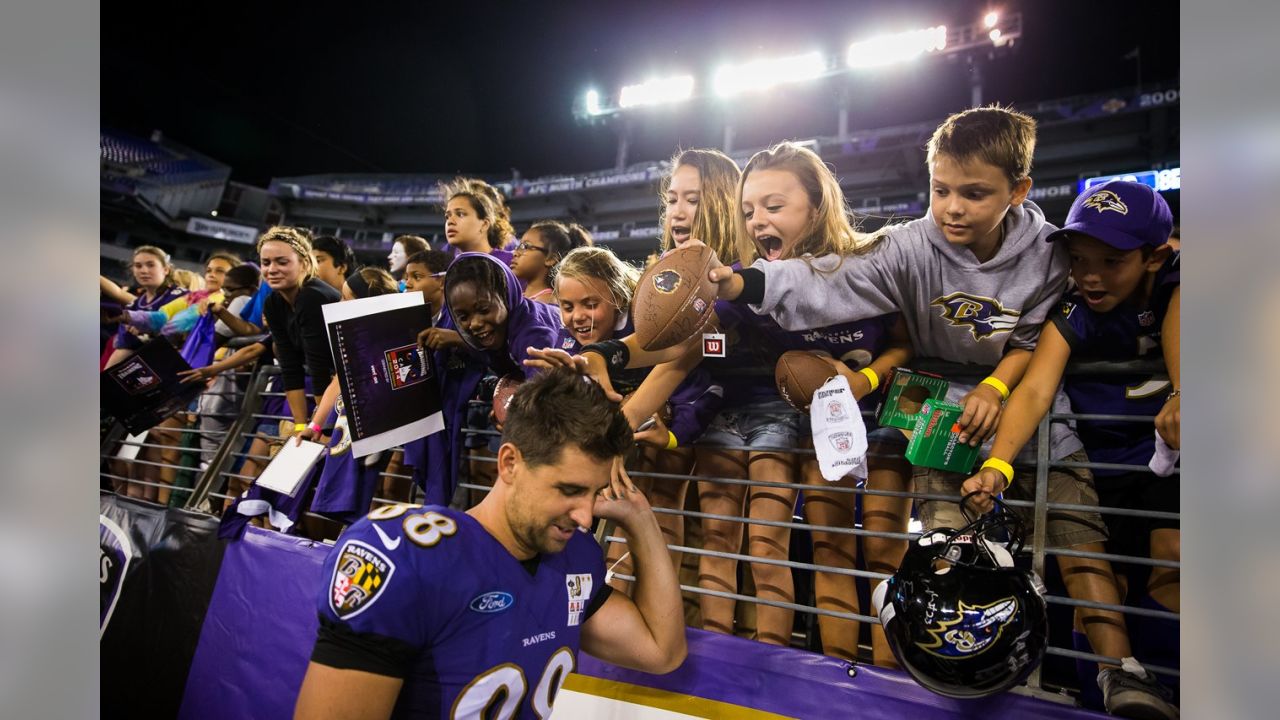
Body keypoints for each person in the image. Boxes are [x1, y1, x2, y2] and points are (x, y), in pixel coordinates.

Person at [710, 107, 1147, 702]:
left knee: (1075, 532)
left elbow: (1033, 344)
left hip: (1023, 395)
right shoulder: (909, 246)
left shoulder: (1050, 252)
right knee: (948, 543)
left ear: (1018, 191)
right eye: (941, 190)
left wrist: (996, 388)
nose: (953, 208)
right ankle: (955, 676)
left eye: (974, 193)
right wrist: (743, 284)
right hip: (933, 396)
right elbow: (832, 281)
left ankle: (1119, 671)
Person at [294, 369, 687, 720]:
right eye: (569, 489)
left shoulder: (574, 558)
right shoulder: (409, 553)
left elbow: (660, 651)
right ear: (509, 463)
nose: (586, 515)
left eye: (595, 492)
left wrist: (640, 519)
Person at [960, 180, 1180, 719]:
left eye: (1111, 260)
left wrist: (1183, 393)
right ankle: (1107, 697)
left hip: (1167, 465)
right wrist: (996, 464)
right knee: (1100, 581)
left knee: (1173, 560)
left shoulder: (1178, 285)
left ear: (1154, 257)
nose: (1090, 274)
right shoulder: (1073, 307)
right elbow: (1035, 390)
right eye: (1079, 259)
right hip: (1097, 465)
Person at [259, 225, 343, 433]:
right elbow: (290, 365)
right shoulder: (273, 303)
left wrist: (319, 427)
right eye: (265, 263)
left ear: (304, 263)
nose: (272, 269)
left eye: (282, 262)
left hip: (351, 387)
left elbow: (319, 368)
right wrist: (299, 425)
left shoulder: (312, 296)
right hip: (331, 392)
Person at [101, 245, 186, 369]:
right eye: (138, 266)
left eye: (150, 265)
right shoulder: (134, 305)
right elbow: (124, 349)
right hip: (136, 372)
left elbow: (184, 332)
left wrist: (147, 327)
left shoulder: (181, 296)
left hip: (168, 368)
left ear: (166, 270)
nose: (144, 270)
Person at [510, 220, 591, 303]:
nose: (515, 253)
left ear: (551, 259)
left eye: (526, 246)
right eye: (519, 246)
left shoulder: (548, 303)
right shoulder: (520, 298)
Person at [439, 178, 515, 265]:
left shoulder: (512, 262)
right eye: (447, 216)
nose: (450, 221)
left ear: (485, 224)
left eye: (460, 214)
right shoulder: (443, 263)